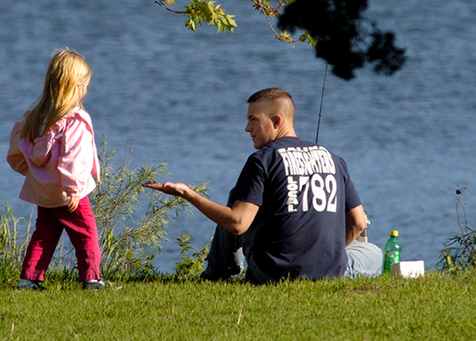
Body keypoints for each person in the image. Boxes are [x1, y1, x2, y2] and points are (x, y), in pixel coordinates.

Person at [143, 88, 382, 283]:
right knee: (374, 253)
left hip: (274, 274)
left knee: (237, 200)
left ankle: (220, 272)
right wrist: (331, 256)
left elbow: (237, 224)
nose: (247, 128)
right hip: (330, 273)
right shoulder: (334, 159)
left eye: (253, 120)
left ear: (276, 121)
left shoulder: (262, 160)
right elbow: (359, 223)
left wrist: (188, 194)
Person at [7, 49, 113, 290]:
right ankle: (91, 278)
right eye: (85, 84)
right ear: (75, 86)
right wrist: (74, 189)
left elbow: (18, 147)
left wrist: (35, 174)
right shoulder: (74, 120)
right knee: (86, 233)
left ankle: (28, 279)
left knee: (44, 234)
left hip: (45, 191)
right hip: (69, 192)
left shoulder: (37, 118)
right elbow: (73, 158)